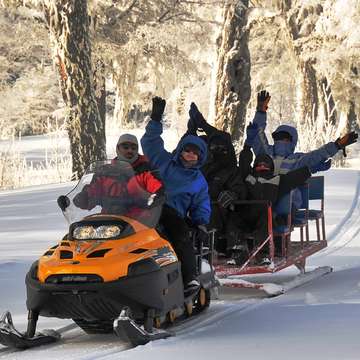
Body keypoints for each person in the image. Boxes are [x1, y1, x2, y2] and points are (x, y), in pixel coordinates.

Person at [140, 97, 210, 291]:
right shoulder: (165, 162)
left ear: (200, 156)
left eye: (194, 152)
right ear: (180, 150)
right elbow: (150, 142)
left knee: (179, 235)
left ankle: (189, 278)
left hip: (173, 213)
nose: (190, 154)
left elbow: (201, 203)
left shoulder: (198, 180)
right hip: (146, 207)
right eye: (187, 150)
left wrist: (201, 221)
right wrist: (155, 118)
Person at [247, 90, 358, 209]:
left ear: (292, 142)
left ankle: (276, 216)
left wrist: (336, 146)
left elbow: (316, 155)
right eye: (278, 137)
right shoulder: (266, 155)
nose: (281, 140)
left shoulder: (297, 160)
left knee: (283, 196)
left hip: (287, 205)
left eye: (285, 138)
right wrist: (261, 111)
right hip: (264, 198)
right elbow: (257, 136)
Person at [233, 145, 313, 264]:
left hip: (266, 214)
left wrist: (309, 169)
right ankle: (236, 251)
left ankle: (264, 254)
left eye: (265, 165)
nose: (262, 167)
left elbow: (294, 177)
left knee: (265, 220)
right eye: (259, 165)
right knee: (234, 219)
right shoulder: (249, 177)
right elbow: (244, 165)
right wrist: (246, 150)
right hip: (249, 214)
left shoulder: (277, 180)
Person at [188, 102, 248, 253]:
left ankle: (211, 248)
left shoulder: (231, 170)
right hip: (196, 206)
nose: (218, 151)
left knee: (213, 210)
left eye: (222, 149)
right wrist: (191, 131)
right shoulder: (199, 167)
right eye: (215, 148)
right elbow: (185, 150)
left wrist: (232, 194)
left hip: (220, 212)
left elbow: (239, 189)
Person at [71, 134, 164, 221]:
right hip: (109, 220)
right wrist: (85, 197)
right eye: (125, 147)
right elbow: (94, 189)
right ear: (118, 148)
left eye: (133, 148)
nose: (130, 150)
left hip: (139, 221)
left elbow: (157, 186)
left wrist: (157, 196)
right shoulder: (105, 171)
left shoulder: (146, 170)